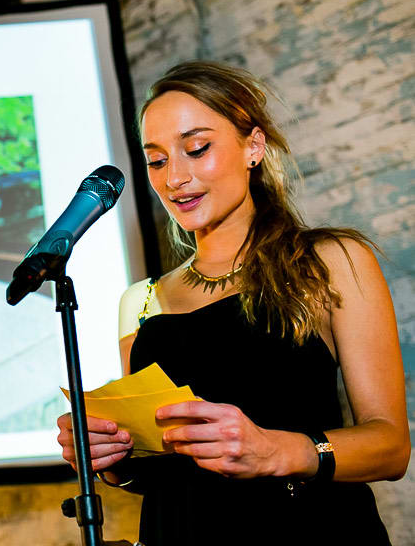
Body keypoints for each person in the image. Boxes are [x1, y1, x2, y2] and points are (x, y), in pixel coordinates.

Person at [56, 61, 409, 545]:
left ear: (254, 147)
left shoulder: (330, 260)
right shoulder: (139, 301)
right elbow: (162, 476)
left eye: (197, 149)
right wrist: (111, 460)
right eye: (156, 161)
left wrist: (278, 450)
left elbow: (390, 446)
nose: (174, 177)